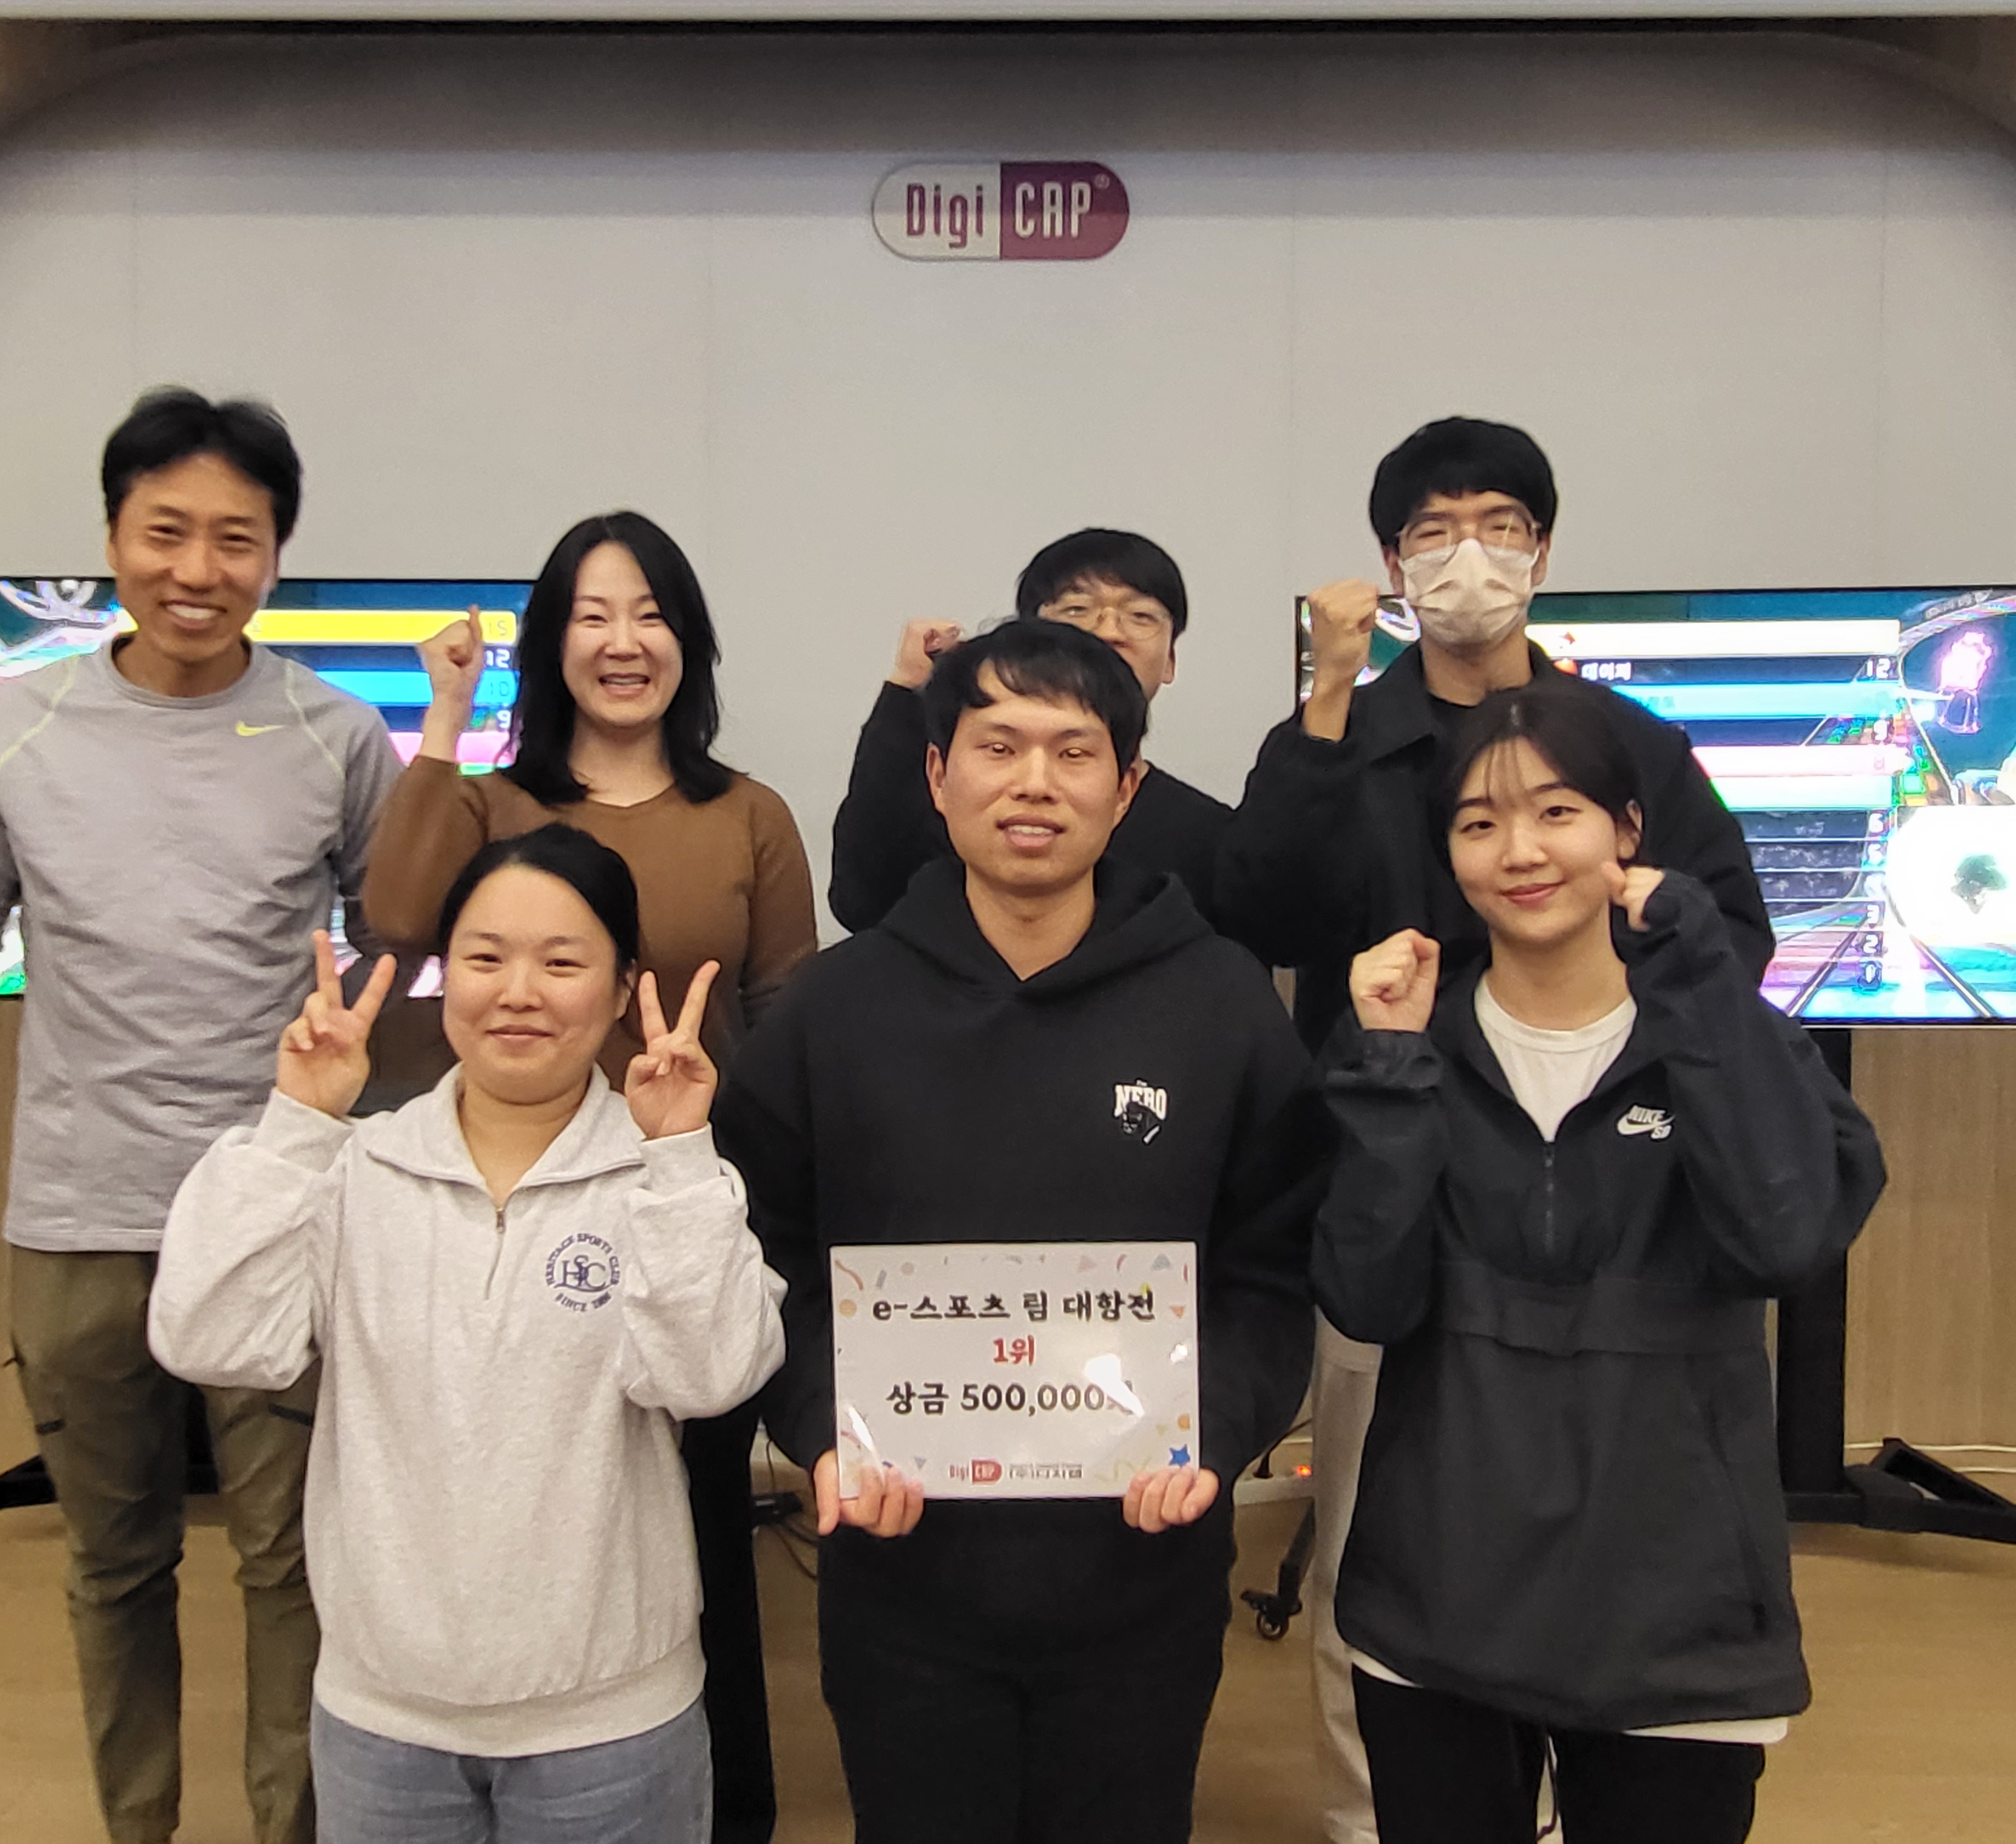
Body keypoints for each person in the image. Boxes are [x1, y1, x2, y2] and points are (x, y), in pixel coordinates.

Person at [1208, 415, 1775, 1844]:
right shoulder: (1344, 734)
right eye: (1436, 530)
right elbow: (1258, 911)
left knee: (1615, 1519)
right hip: (1393, 1191)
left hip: (1614, 1195)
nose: (1471, 556)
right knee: (1375, 1531)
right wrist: (1326, 694)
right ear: (1392, 560)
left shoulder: (1625, 741)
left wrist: (1584, 989)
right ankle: (1379, 1816)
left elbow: (1731, 940)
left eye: (1502, 526)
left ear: (1543, 550)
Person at [0, 389, 401, 1844]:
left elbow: (394, 939)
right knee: (113, 1566)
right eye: (165, 531)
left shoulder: (336, 732)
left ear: (276, 555)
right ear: (112, 536)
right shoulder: (16, 722)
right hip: (77, 1214)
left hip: (278, 1211)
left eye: (236, 538)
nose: (197, 568)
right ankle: (140, 1827)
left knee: (293, 1566)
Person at [718, 617, 1332, 1844]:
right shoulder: (835, 1009)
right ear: (937, 774)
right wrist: (823, 1432)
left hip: (1142, 1571)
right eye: (997, 747)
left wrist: (1214, 1430)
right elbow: (760, 1252)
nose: (1034, 782)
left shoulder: (1220, 1003)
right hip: (902, 1575)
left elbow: (1272, 1264)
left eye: (1074, 751)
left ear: (1129, 788)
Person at [1314, 684, 1884, 1843]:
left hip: (1674, 1610)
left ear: (1628, 829)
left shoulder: (1731, 1033)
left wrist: (1702, 989)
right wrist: (1390, 1073)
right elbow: (1367, 1297)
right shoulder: (1410, 1041)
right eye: (1478, 823)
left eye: (1556, 812)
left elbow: (1780, 1241)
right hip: (1439, 1596)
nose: (1519, 851)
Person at [150, 824, 788, 1844]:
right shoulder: (359, 1167)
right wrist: (296, 1125)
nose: (518, 993)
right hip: (382, 1716)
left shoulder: (664, 1178)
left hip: (610, 1720)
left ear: (623, 989)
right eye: (485, 958)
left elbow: (711, 1377)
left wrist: (677, 1158)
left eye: (563, 964)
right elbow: (210, 1338)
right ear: (445, 978)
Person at [363, 510, 815, 1844]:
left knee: (700, 1522)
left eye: (652, 615)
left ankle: (719, 1808)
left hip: (679, 1208)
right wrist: (448, 720)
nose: (624, 643)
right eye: (592, 616)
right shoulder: (495, 805)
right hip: (503, 1217)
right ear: (551, 645)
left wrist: (738, 1197)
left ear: (690, 641)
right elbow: (396, 917)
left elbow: (786, 1020)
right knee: (515, 1507)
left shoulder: (749, 815)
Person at [826, 528, 1229, 930]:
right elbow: (864, 902)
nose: (1109, 632)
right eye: (1077, 609)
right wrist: (906, 691)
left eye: (1140, 616)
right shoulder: (966, 800)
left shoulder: (1209, 834)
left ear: (1170, 659)